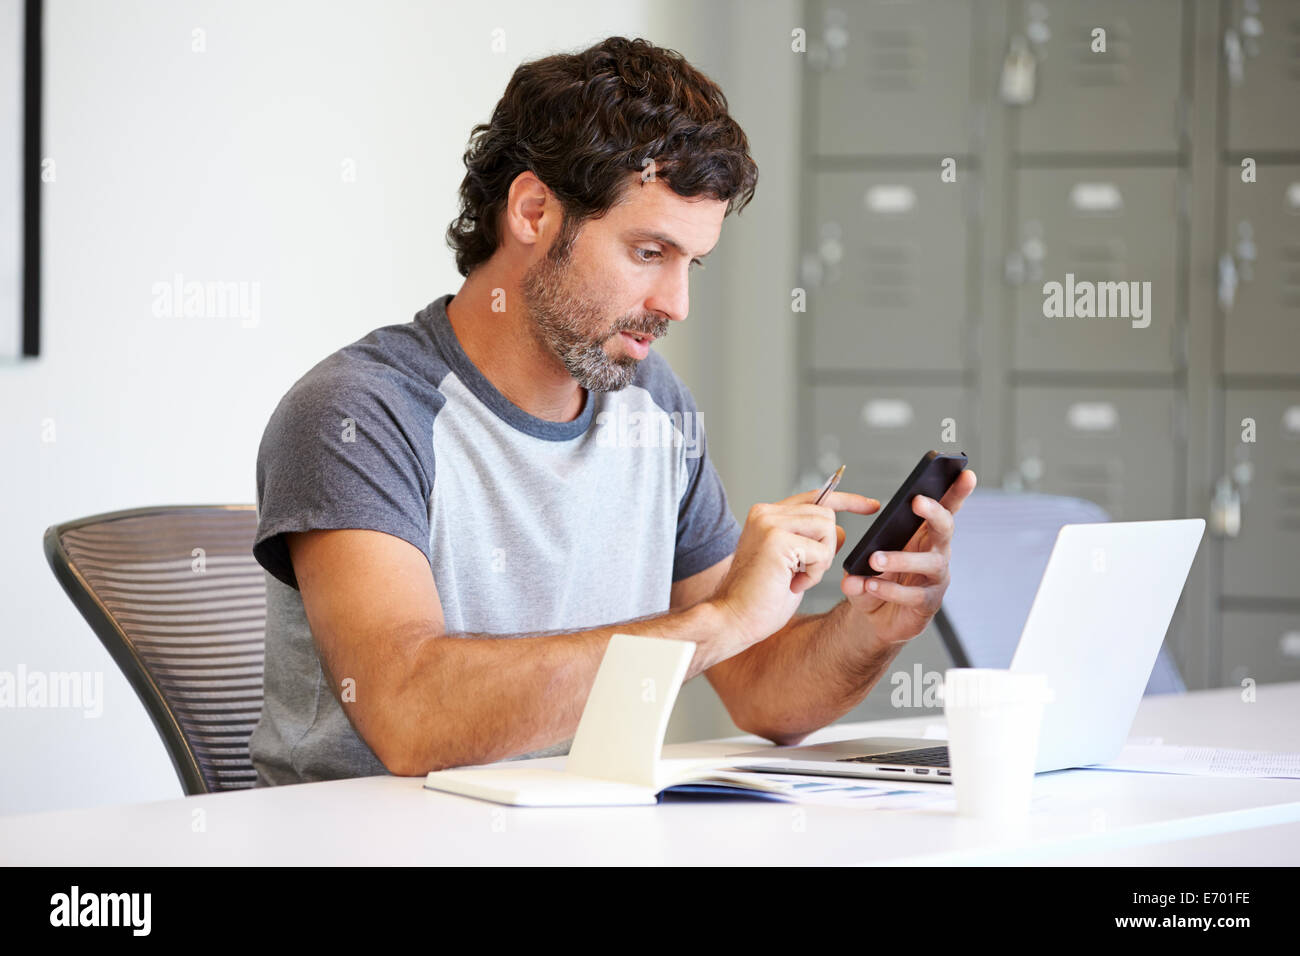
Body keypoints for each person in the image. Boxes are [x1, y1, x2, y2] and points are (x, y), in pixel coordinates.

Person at [249, 35, 977, 785]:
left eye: (691, 263)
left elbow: (762, 689)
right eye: (649, 253)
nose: (676, 304)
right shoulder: (356, 415)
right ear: (533, 212)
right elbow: (408, 714)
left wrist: (870, 625)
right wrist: (717, 621)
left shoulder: (652, 405)